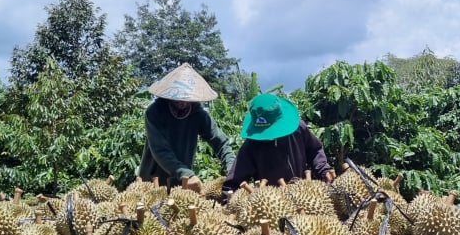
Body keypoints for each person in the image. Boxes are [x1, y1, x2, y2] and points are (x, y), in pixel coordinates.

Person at [138, 63, 236, 192]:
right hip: (153, 178)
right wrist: (187, 174)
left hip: (181, 180)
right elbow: (160, 150)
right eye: (177, 97)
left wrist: (233, 170)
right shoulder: (154, 112)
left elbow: (221, 143)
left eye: (186, 98)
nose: (182, 101)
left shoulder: (199, 115)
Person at [222, 92, 333, 192]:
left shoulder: (298, 129)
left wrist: (323, 169)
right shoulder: (251, 144)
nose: (269, 136)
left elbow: (314, 150)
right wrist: (228, 196)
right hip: (270, 203)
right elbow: (235, 178)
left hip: (302, 192)